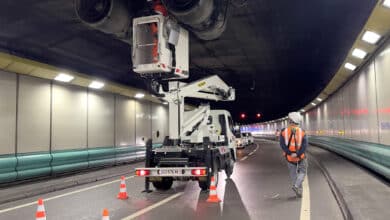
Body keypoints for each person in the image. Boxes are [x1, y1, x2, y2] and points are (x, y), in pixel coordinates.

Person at [279, 112, 308, 198]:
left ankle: (298, 190)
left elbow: (282, 145)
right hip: (301, 157)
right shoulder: (302, 132)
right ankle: (296, 187)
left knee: (293, 175)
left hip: (289, 158)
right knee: (302, 172)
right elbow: (305, 145)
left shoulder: (284, 132)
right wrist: (298, 154)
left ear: (291, 121)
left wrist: (290, 153)